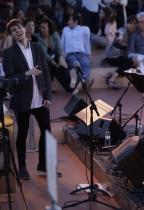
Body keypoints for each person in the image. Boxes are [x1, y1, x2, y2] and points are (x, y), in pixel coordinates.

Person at [2, 19, 60, 180]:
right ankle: (22, 167)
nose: (18, 31)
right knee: (22, 134)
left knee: (47, 131)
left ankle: (43, 165)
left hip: (40, 99)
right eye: (14, 30)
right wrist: (27, 73)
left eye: (19, 27)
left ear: (24, 29)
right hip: (22, 100)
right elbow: (8, 80)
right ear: (12, 35)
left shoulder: (37, 47)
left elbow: (46, 73)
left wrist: (47, 95)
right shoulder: (8, 53)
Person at [36, 17, 71, 92]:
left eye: (44, 27)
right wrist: (53, 62)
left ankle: (70, 85)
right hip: (44, 59)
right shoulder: (38, 38)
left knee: (63, 65)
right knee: (51, 65)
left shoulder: (54, 35)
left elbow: (59, 49)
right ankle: (54, 84)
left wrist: (61, 59)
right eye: (41, 27)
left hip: (54, 56)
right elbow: (44, 54)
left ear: (49, 28)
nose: (42, 29)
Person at [61, 13, 92, 93]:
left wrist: (88, 54)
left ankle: (78, 87)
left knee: (86, 65)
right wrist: (62, 56)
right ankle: (80, 83)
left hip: (81, 54)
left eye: (70, 20)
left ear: (76, 21)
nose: (68, 22)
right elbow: (62, 44)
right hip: (70, 55)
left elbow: (86, 42)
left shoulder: (83, 29)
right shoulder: (65, 30)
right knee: (75, 64)